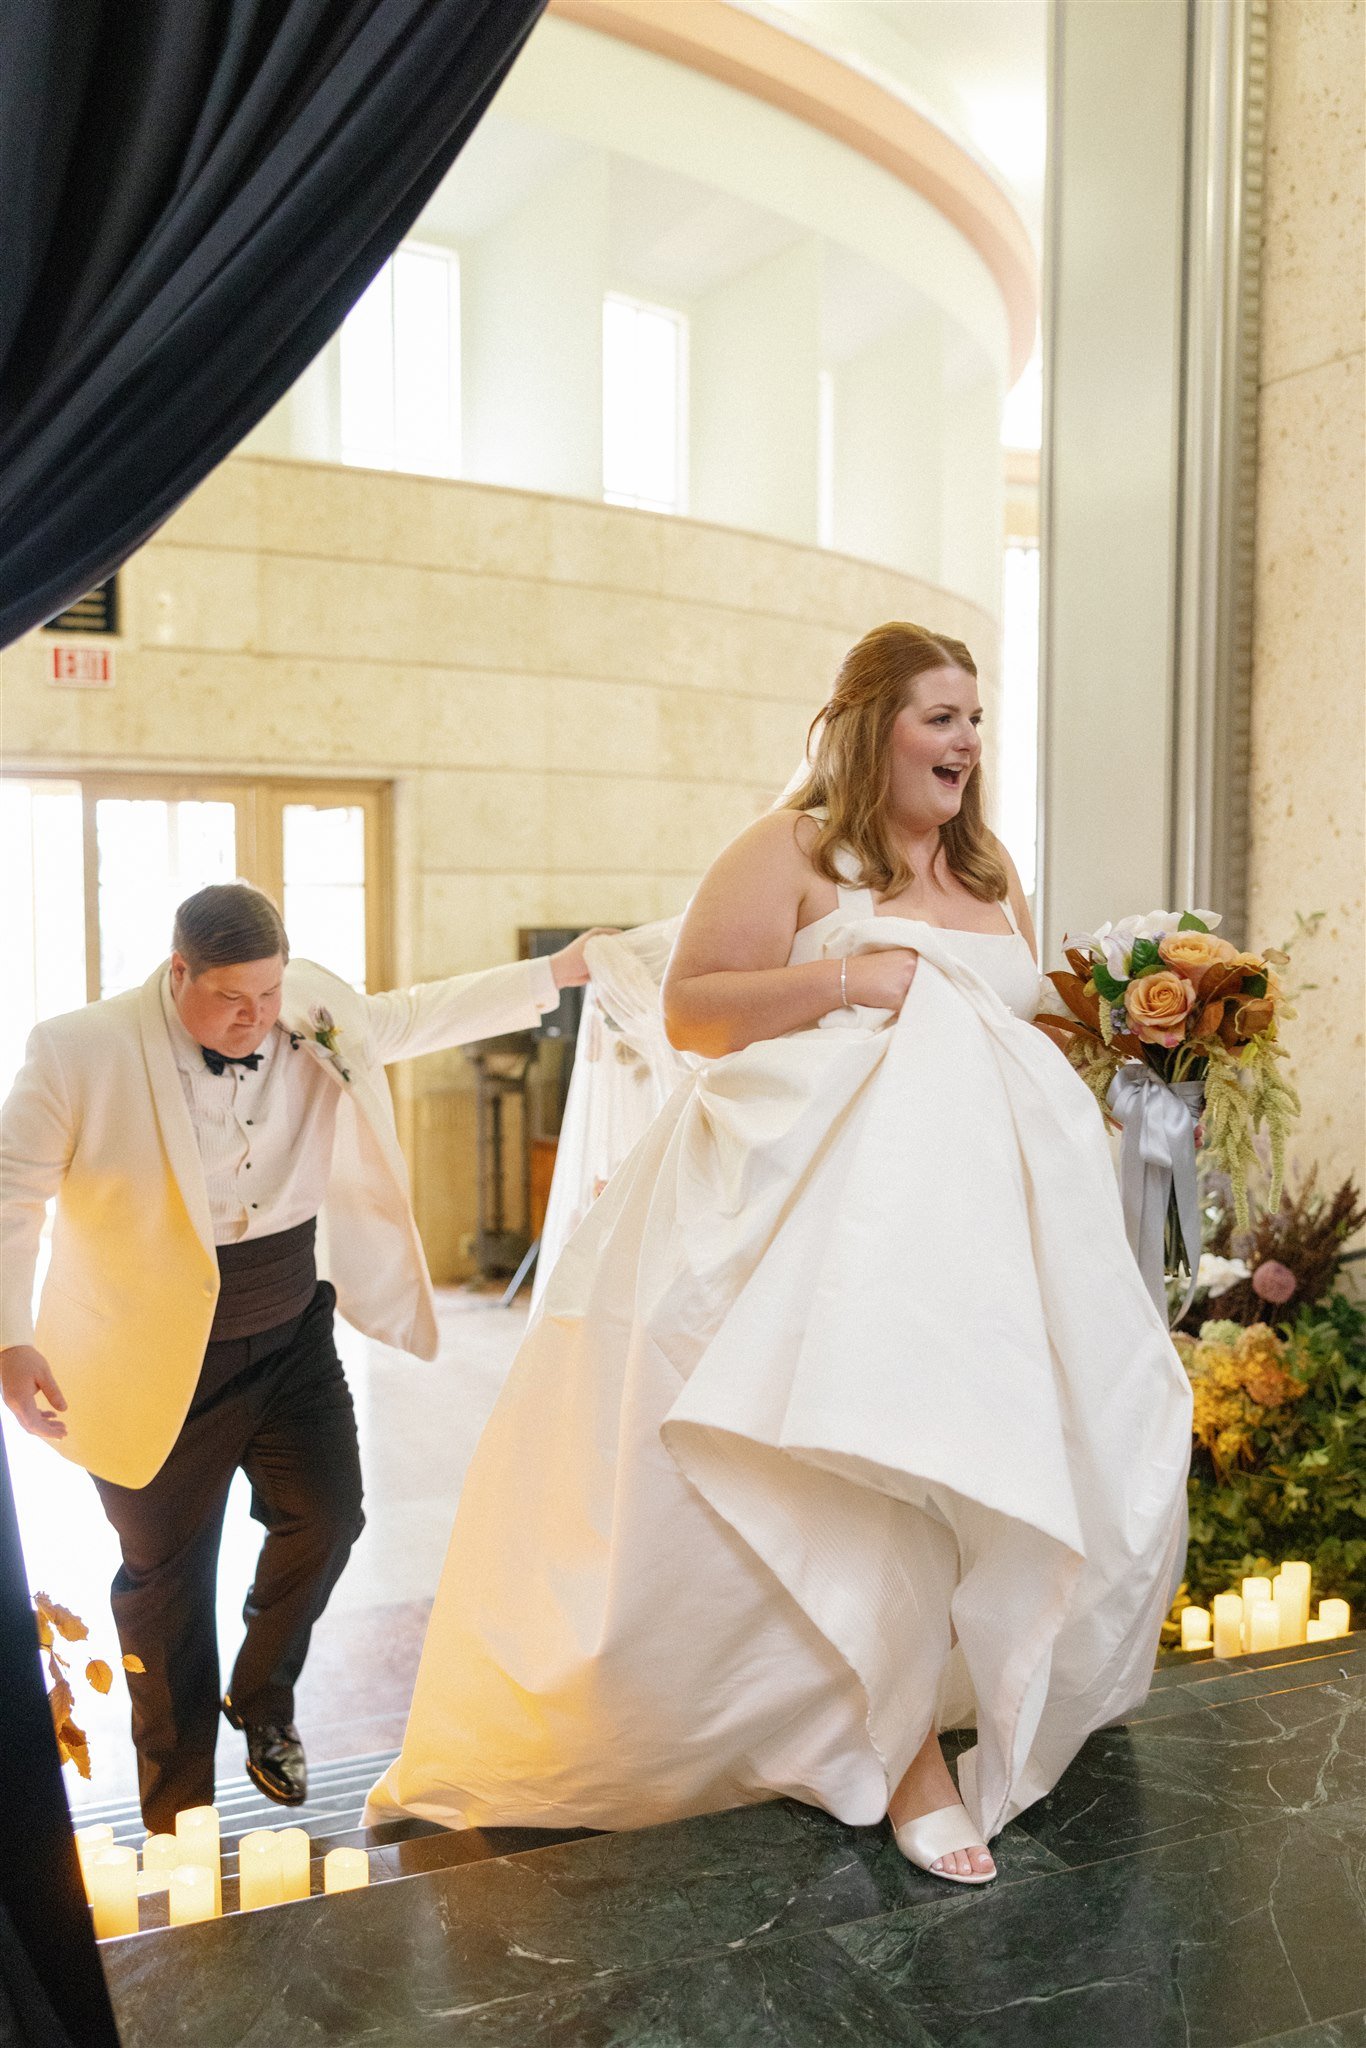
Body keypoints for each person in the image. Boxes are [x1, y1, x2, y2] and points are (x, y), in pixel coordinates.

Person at [366, 622, 1192, 1887]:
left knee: (965, 1445)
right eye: (940, 716)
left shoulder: (990, 869)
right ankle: (900, 1748)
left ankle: (944, 1687)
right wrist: (857, 978)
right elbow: (696, 1008)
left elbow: (1009, 1024)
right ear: (873, 724)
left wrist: (1147, 1052)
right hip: (798, 1206)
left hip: (969, 1226)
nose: (966, 740)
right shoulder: (794, 849)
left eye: (974, 718)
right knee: (837, 1449)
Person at [0, 883, 603, 1832]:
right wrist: (9, 1336)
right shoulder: (79, 1050)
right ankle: (179, 1810)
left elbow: (411, 1014)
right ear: (178, 972)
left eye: (271, 994)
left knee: (329, 1516)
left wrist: (561, 970)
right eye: (234, 999)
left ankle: (264, 1696)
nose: (258, 1019)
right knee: (165, 1584)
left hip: (289, 1328)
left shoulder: (308, 1007)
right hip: (148, 1348)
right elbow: (14, 1189)